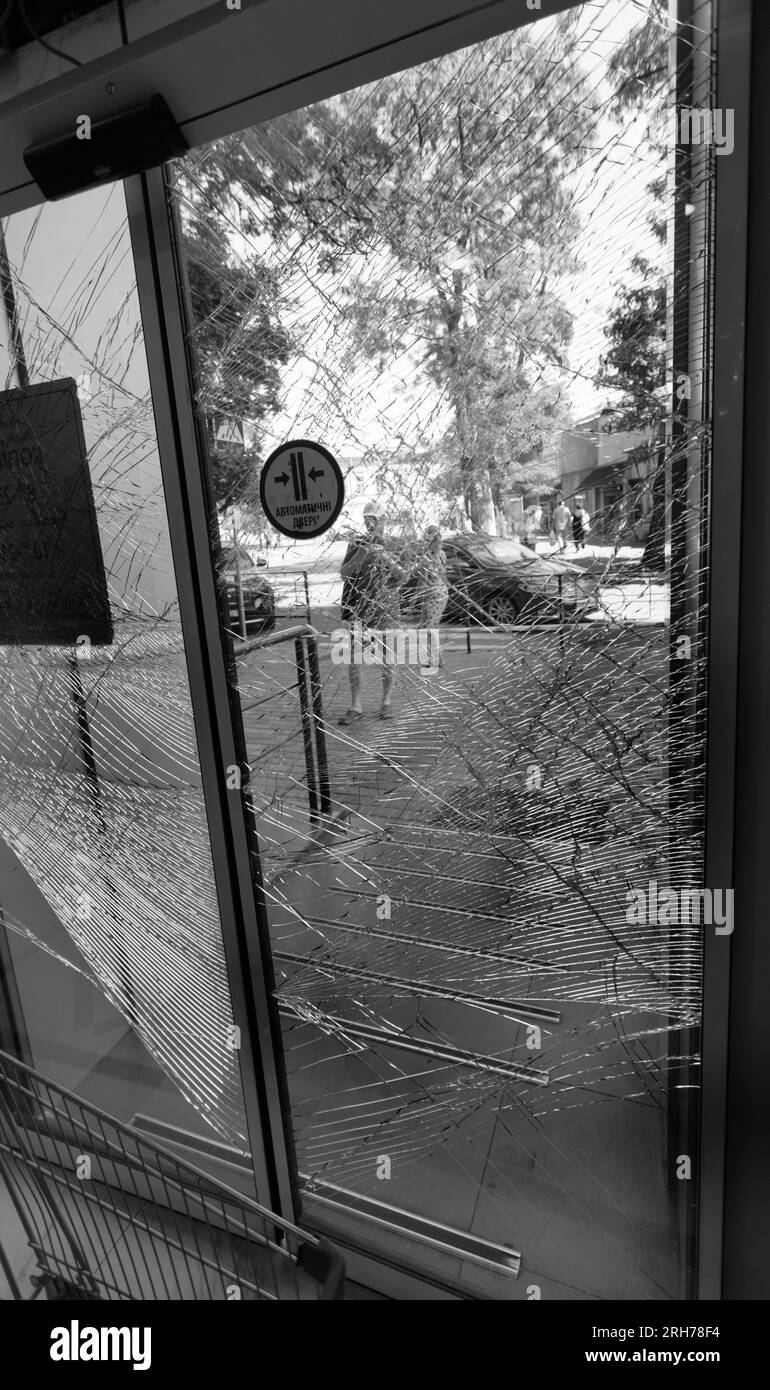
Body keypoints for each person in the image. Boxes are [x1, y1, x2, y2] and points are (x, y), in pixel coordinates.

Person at [337, 499, 408, 724]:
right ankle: (356, 705)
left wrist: (383, 555)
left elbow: (404, 577)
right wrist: (361, 553)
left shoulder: (395, 544)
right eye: (367, 520)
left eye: (374, 520)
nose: (370, 524)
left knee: (388, 658)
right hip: (360, 609)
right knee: (354, 657)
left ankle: (386, 702)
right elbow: (344, 574)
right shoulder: (356, 544)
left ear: (384, 520)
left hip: (388, 610)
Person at [411, 525, 448, 670]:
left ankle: (436, 660)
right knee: (428, 627)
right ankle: (436, 659)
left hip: (433, 594)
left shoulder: (426, 557)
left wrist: (414, 598)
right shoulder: (442, 554)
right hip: (442, 592)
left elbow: (423, 581)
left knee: (429, 628)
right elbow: (444, 576)